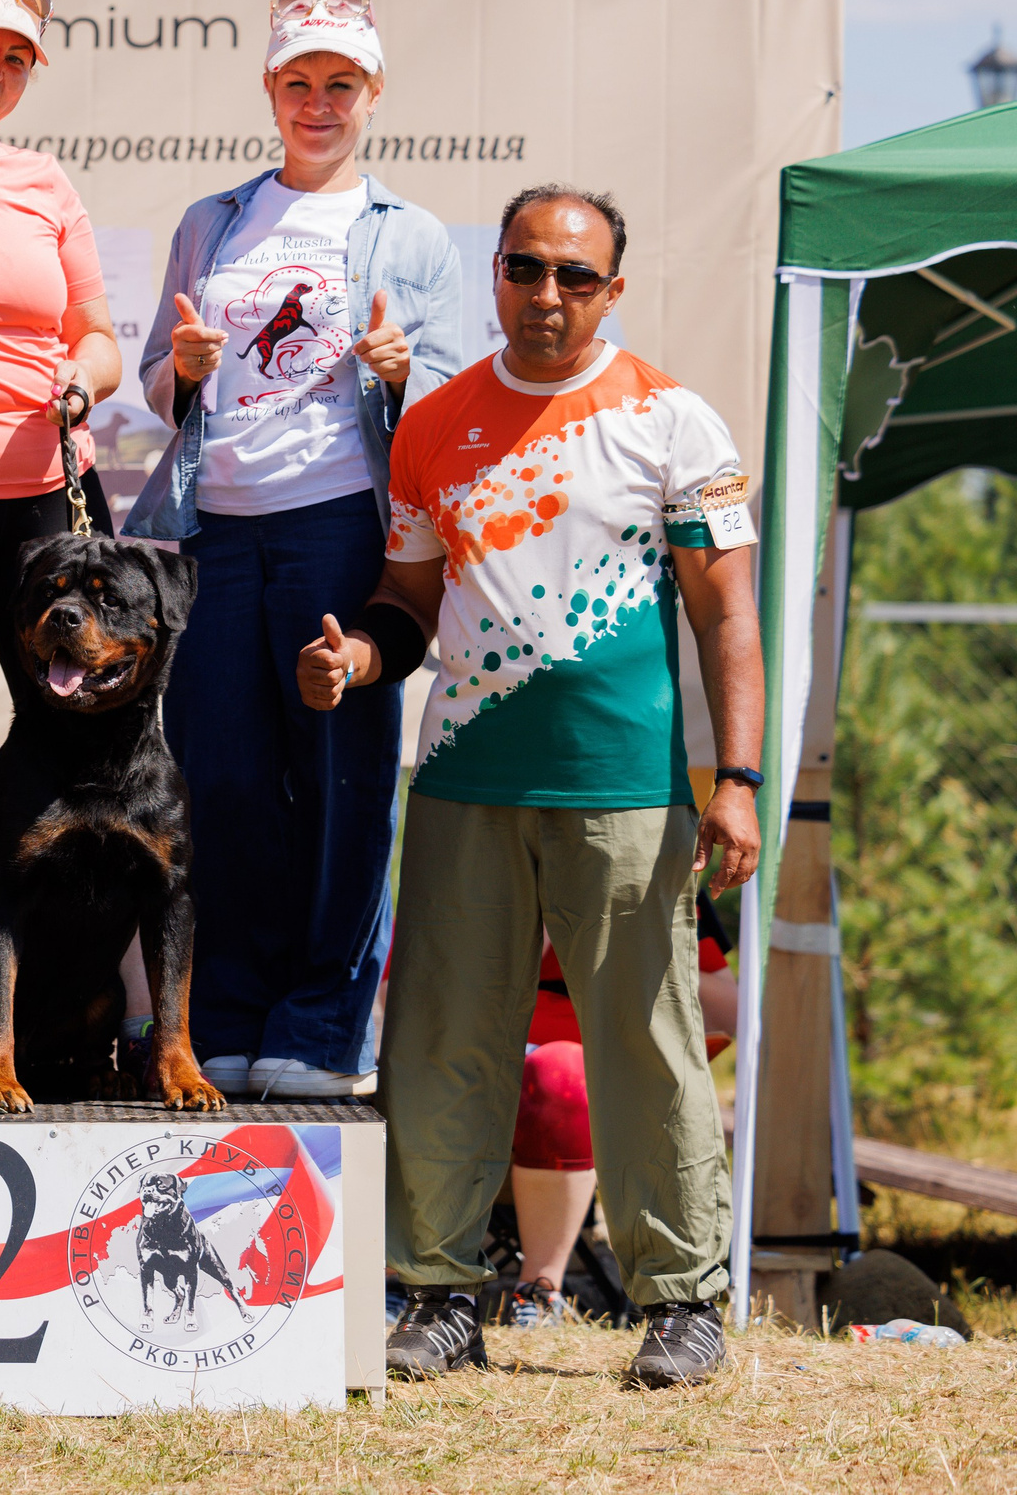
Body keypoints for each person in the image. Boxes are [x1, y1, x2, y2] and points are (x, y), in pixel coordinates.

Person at [298, 184, 763, 1386]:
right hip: (461, 781)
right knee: (445, 1043)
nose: (544, 294)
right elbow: (405, 603)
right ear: (494, 272)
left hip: (624, 790)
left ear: (614, 287)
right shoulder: (434, 421)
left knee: (643, 1046)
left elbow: (729, 618)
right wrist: (358, 657)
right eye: (523, 267)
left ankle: (682, 1299)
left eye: (572, 274)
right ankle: (441, 1291)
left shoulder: (672, 420)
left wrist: (739, 778)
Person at [120, 0, 467, 1102]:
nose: (318, 103)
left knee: (339, 776)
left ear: (373, 96)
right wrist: (177, 366)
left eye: (341, 84)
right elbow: (158, 387)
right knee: (216, 779)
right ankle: (222, 1014)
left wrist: (401, 371)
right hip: (212, 530)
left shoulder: (407, 234)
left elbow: (455, 405)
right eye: (297, 83)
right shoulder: (212, 220)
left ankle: (320, 1026)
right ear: (269, 93)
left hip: (338, 529)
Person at [502, 898, 738, 1327]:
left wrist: (645, 951)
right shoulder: (491, 857)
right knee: (557, 1071)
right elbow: (396, 992)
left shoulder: (659, 870)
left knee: (565, 1073)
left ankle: (540, 1292)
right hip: (499, 1059)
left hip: (610, 1072)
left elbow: (730, 1011)